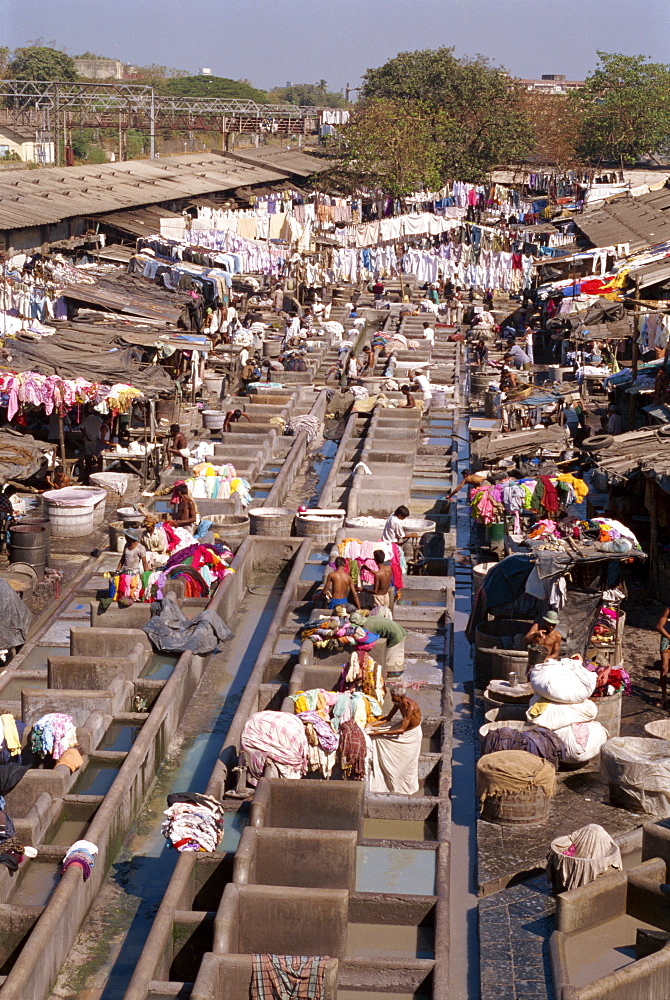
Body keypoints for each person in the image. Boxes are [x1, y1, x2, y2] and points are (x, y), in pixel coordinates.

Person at [367, 682, 422, 794]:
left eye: (394, 698)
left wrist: (378, 733)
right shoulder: (398, 703)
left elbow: (401, 730)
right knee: (376, 735)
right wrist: (371, 725)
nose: (393, 700)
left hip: (410, 735)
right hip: (403, 729)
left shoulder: (410, 707)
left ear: (401, 697)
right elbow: (388, 718)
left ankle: (403, 787)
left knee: (381, 739)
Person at [80, 406, 104, 475]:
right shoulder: (99, 420)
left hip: (88, 440)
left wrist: (86, 435)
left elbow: (81, 428)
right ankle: (96, 471)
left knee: (88, 456)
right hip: (96, 440)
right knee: (98, 456)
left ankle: (88, 469)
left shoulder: (86, 419)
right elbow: (102, 429)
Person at [656, 606, 670, 708]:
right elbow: (659, 626)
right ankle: (663, 696)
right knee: (664, 668)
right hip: (667, 639)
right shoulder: (668, 609)